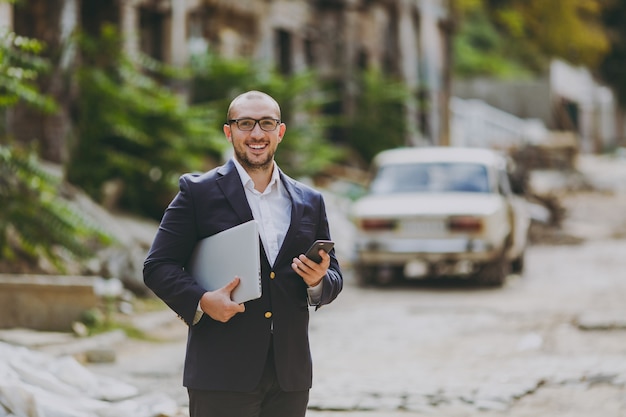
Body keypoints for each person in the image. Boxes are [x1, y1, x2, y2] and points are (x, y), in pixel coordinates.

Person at [143, 90, 343, 417]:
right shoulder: (197, 192)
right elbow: (157, 266)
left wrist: (318, 281)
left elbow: (333, 276)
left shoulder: (309, 200)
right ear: (229, 131)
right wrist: (202, 301)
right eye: (245, 124)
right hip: (221, 371)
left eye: (266, 123)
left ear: (280, 131)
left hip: (289, 375)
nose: (256, 134)